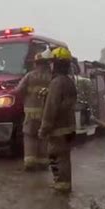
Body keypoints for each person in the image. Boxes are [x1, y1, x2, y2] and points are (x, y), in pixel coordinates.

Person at [38, 47, 77, 193]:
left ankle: (61, 186)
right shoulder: (69, 82)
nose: (50, 66)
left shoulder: (56, 83)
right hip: (69, 128)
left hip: (57, 130)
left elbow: (51, 109)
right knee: (64, 157)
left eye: (51, 63)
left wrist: (44, 129)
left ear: (56, 64)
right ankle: (64, 184)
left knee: (56, 157)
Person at [13, 49, 52, 171]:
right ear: (46, 64)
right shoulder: (51, 77)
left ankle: (30, 163)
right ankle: (43, 162)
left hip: (30, 114)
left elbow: (18, 90)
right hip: (45, 113)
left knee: (30, 137)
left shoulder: (30, 76)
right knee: (43, 137)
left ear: (36, 64)